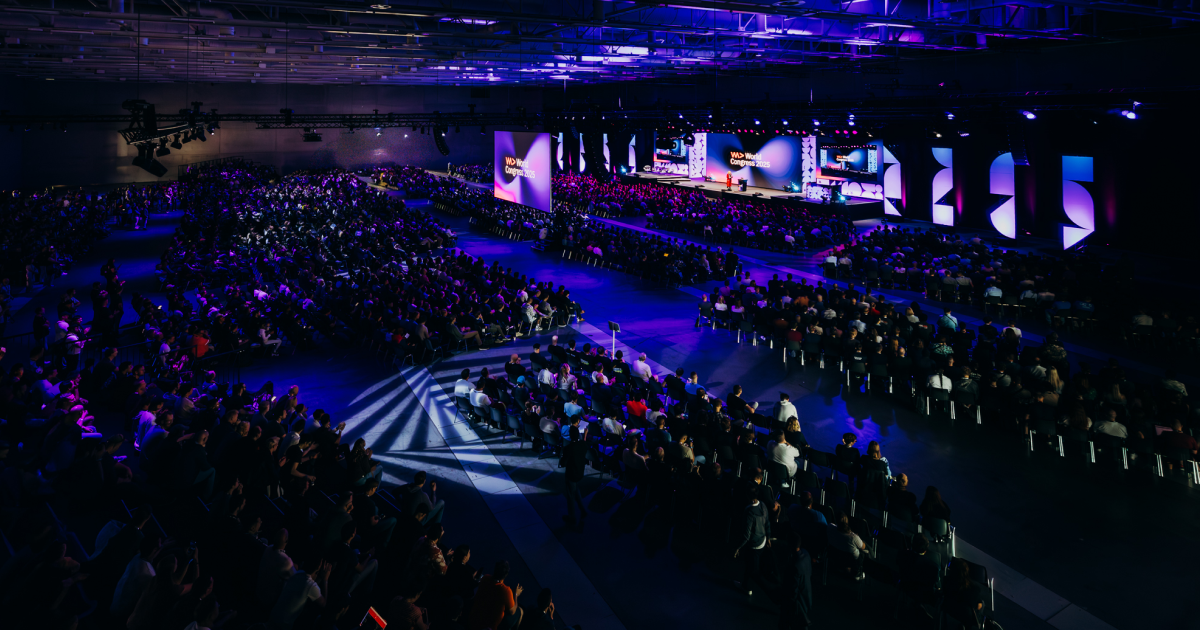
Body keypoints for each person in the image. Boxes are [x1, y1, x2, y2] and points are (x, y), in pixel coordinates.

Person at [732, 487, 771, 596]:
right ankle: (745, 585)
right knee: (751, 566)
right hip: (762, 541)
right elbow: (767, 522)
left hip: (753, 545)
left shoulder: (749, 511)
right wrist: (768, 537)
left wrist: (738, 547)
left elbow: (746, 535)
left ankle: (747, 587)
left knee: (751, 567)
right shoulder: (763, 505)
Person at [469, 560, 524, 630]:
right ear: (506, 574)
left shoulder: (485, 578)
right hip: (488, 627)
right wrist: (516, 594)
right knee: (520, 611)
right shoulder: (506, 591)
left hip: (473, 620)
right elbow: (512, 611)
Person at [777, 532, 812, 630]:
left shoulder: (794, 566)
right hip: (806, 598)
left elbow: (792, 592)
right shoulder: (806, 554)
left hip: (795, 605)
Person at [559, 426, 589, 526]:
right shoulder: (583, 445)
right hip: (580, 472)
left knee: (571, 496)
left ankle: (572, 517)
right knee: (576, 490)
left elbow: (563, 463)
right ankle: (582, 510)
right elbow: (584, 442)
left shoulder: (568, 448)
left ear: (570, 436)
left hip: (571, 474)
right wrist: (585, 434)